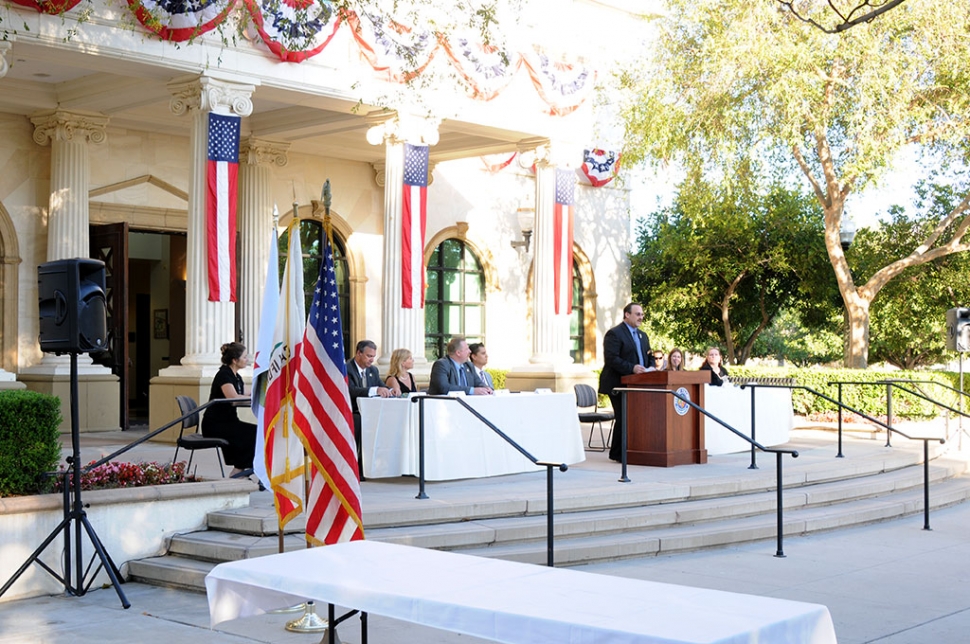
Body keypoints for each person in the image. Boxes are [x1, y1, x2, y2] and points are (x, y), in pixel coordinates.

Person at [598, 303, 656, 462]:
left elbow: (649, 354)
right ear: (627, 315)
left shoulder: (643, 335)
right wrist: (633, 368)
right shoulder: (615, 334)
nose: (641, 317)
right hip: (618, 384)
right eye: (637, 314)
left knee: (634, 416)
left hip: (638, 383)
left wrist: (651, 366)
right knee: (624, 416)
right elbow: (612, 359)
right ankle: (618, 454)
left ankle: (630, 450)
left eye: (642, 314)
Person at [201, 342, 256, 479]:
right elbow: (234, 399)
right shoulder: (224, 375)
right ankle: (238, 472)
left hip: (229, 421)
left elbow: (246, 393)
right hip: (215, 425)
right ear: (234, 360)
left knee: (256, 432)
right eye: (244, 357)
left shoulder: (236, 376)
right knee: (252, 434)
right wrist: (252, 399)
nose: (247, 359)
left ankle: (241, 469)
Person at [346, 340, 392, 478]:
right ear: (358, 353)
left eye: (373, 356)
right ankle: (357, 469)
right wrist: (374, 390)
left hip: (371, 412)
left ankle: (377, 466)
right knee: (359, 422)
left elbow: (380, 385)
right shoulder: (346, 368)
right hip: (353, 411)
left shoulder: (373, 370)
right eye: (368, 356)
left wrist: (390, 390)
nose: (371, 360)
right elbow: (351, 390)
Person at [427, 336, 493, 395]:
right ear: (458, 353)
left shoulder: (469, 366)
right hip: (445, 405)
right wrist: (471, 390)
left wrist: (486, 388)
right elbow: (444, 388)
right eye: (467, 349)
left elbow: (478, 383)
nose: (470, 351)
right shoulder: (441, 365)